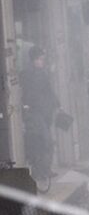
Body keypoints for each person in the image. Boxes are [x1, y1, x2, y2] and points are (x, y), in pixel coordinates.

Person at [20, 45, 59, 189]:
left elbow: (47, 91)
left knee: (42, 142)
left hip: (42, 113)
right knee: (44, 142)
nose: (43, 61)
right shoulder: (29, 74)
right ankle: (42, 170)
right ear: (34, 59)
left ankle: (43, 170)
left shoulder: (38, 73)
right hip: (36, 113)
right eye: (41, 59)